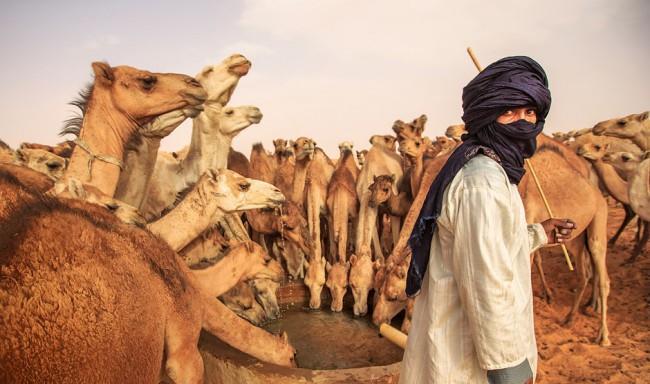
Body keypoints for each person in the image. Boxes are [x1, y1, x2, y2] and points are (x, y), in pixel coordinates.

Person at [399, 56, 576, 383]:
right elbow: (487, 283)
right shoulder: (482, 182)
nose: (523, 122)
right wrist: (509, 369)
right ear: (487, 116)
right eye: (509, 112)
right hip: (470, 363)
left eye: (529, 112)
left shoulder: (491, 171)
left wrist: (538, 234)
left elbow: (489, 248)